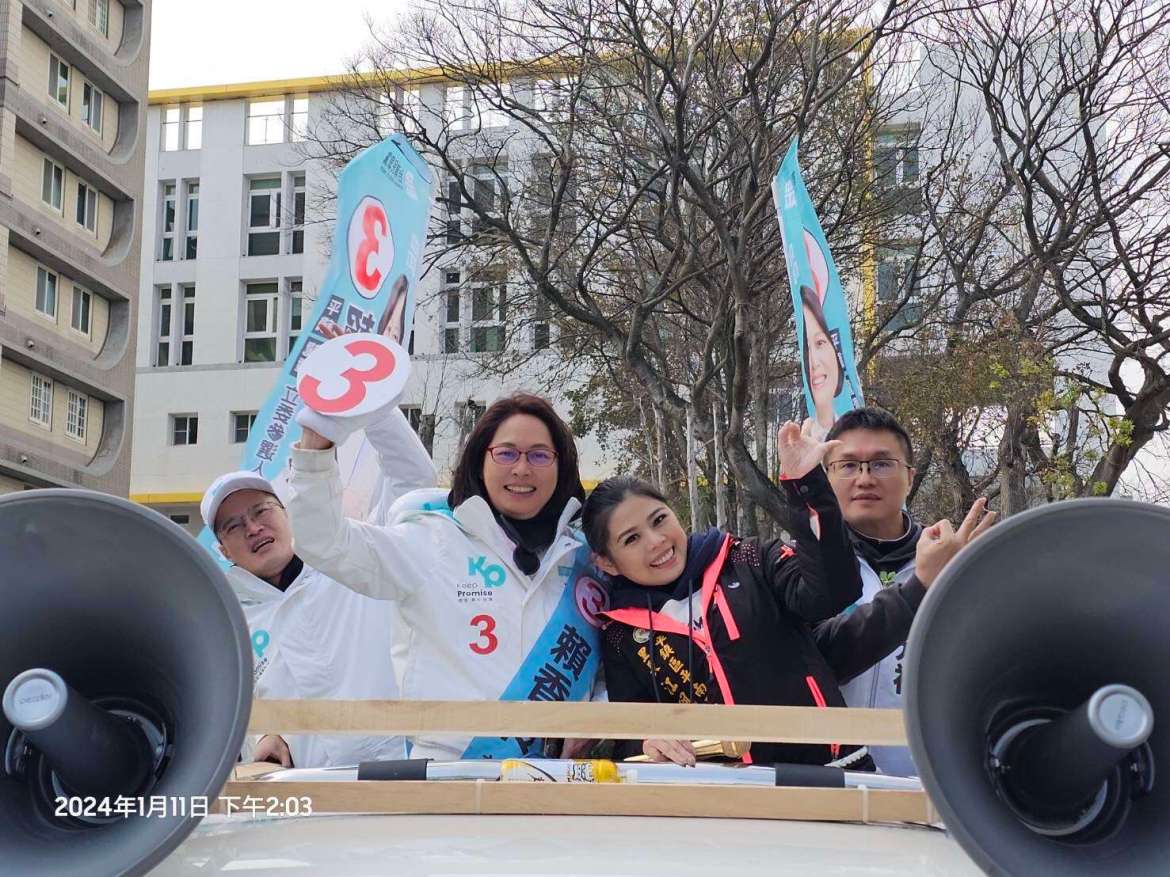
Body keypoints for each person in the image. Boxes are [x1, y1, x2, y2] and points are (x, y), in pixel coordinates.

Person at [287, 392, 605, 761]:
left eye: (539, 455)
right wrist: (316, 445)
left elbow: (610, 663)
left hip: (561, 781)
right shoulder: (431, 540)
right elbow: (324, 541)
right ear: (479, 460)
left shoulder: (587, 556)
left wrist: (599, 712)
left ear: (561, 465)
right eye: (505, 453)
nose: (521, 469)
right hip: (451, 779)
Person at [583, 419, 911, 768]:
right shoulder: (620, 634)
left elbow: (833, 591)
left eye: (659, 519)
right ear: (607, 562)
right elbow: (629, 732)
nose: (657, 541)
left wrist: (808, 488)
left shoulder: (748, 559)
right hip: (721, 796)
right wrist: (648, 741)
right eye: (631, 539)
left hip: (828, 773)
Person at [203, 407, 435, 770]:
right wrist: (264, 736)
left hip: (397, 774)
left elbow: (413, 477)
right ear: (223, 550)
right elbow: (238, 712)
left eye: (261, 511)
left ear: (286, 511)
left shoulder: (353, 561)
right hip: (308, 798)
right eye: (234, 526)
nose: (253, 528)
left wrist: (373, 399)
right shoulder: (229, 630)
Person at [822, 406, 995, 775]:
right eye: (848, 465)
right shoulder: (799, 569)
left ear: (910, 477)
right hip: (831, 786)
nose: (865, 478)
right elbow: (819, 662)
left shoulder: (957, 562)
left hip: (932, 788)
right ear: (827, 477)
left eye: (882, 464)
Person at [800, 285, 844, 435]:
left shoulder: (860, 435)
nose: (814, 362)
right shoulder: (804, 441)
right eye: (807, 348)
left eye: (819, 343)